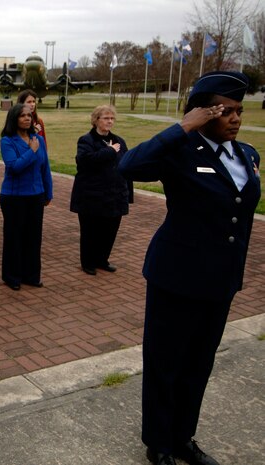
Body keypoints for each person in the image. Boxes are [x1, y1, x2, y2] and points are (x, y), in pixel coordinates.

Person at [119, 71, 260, 465]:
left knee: (199, 365)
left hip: (220, 282)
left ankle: (183, 438)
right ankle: (159, 444)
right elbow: (128, 166)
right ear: (202, 113)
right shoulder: (181, 151)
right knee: (166, 364)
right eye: (225, 111)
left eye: (239, 111)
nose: (235, 118)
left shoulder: (248, 155)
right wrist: (182, 127)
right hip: (176, 277)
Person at [70, 105, 130, 275]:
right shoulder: (86, 140)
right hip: (92, 195)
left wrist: (127, 194)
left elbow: (126, 164)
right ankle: (88, 262)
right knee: (91, 231)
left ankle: (102, 259)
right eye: (106, 118)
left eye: (112, 118)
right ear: (96, 120)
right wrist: (109, 151)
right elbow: (85, 161)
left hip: (115, 195)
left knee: (110, 230)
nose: (109, 121)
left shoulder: (119, 141)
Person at [0, 103, 52, 290]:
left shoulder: (38, 139)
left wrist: (48, 192)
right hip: (14, 197)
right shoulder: (7, 141)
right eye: (22, 116)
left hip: (36, 195)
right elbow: (14, 167)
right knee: (15, 237)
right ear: (14, 118)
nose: (27, 118)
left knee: (33, 237)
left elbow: (45, 168)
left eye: (29, 115)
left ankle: (31, 275)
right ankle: (12, 276)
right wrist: (31, 151)